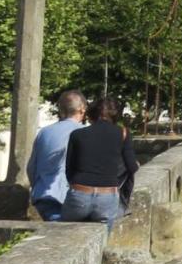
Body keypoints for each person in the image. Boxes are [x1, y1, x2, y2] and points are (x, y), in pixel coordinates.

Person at [63, 96, 139, 229]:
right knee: (103, 238)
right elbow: (132, 167)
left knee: (66, 232)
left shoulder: (77, 134)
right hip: (107, 196)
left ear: (91, 114)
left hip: (80, 194)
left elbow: (69, 170)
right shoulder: (123, 133)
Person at [26, 90, 87, 221]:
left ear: (60, 110)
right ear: (82, 109)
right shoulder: (84, 133)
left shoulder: (44, 132)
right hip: (70, 197)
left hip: (43, 195)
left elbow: (31, 167)